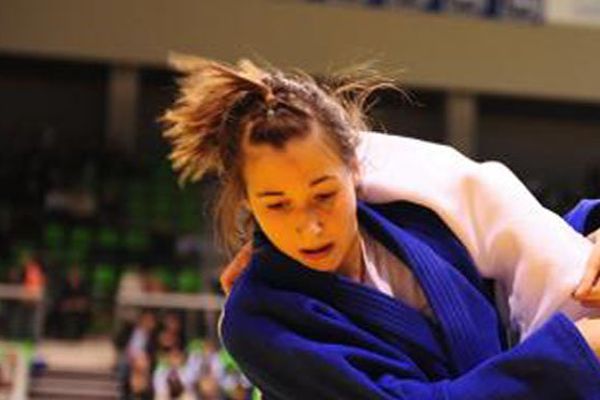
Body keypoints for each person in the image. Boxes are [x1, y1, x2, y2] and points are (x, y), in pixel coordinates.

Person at [161, 54, 600, 399]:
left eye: (324, 195)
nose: (309, 227)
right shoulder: (261, 320)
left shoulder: (414, 211)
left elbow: (529, 246)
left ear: (355, 171)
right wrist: (578, 349)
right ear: (247, 202)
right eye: (276, 205)